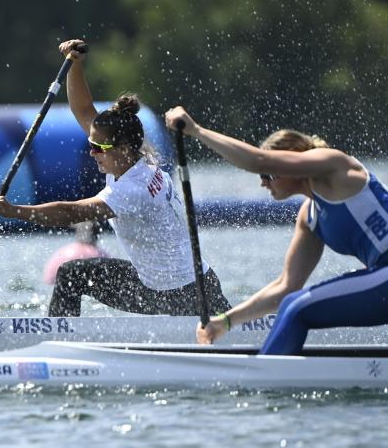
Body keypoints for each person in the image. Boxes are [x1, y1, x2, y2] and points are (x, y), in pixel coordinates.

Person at [0, 40, 231, 317]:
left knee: (71, 275)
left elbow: (72, 212)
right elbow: (83, 110)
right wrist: (75, 65)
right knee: (72, 273)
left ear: (124, 148)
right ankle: (63, 339)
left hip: (179, 297)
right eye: (91, 144)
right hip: (191, 283)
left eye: (98, 148)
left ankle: (59, 345)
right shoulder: (139, 157)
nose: (92, 152)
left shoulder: (133, 188)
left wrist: (15, 211)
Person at [165, 106, 388, 355]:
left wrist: (196, 131)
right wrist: (225, 321)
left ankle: (260, 383)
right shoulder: (309, 217)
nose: (262, 181)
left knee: (297, 307)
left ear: (290, 163)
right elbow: (286, 286)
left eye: (267, 174)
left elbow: (256, 159)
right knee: (292, 301)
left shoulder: (333, 166)